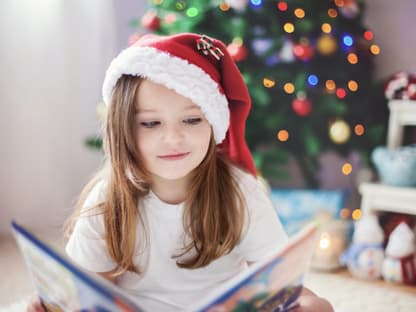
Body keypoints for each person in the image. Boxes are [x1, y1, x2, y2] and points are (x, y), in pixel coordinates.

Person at [28, 33, 333, 312]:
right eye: (151, 123)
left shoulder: (240, 193)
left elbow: (281, 287)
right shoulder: (108, 199)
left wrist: (310, 304)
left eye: (191, 121)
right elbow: (89, 289)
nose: (173, 138)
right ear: (124, 130)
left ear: (213, 124)